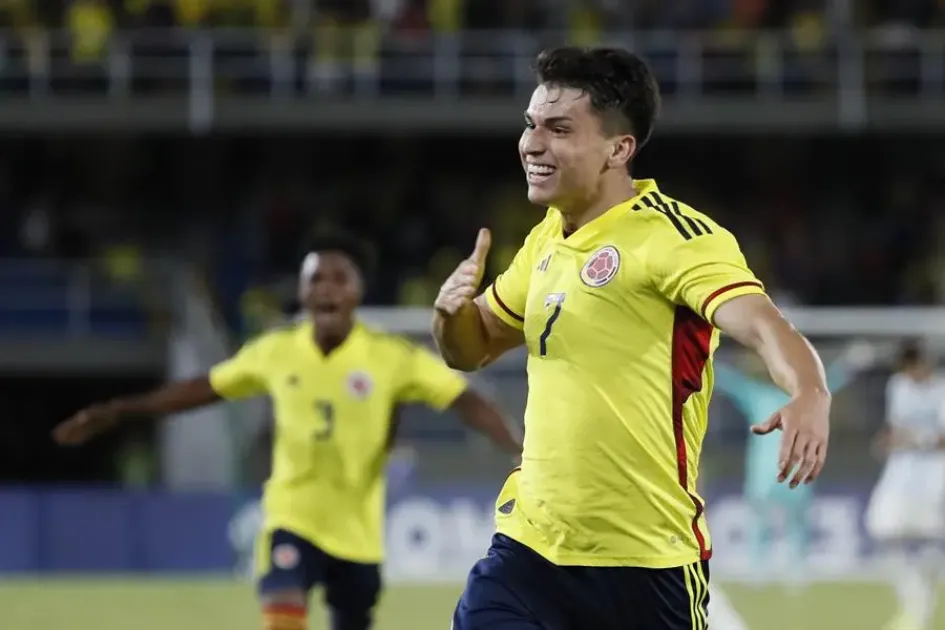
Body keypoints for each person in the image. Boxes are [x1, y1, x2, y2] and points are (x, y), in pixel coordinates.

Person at [432, 46, 831, 630]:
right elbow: (471, 347)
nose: (532, 144)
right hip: (529, 550)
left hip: (647, 564)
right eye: (531, 124)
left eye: (559, 129)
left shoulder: (676, 237)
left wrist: (810, 391)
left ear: (619, 149)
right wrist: (449, 314)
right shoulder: (545, 241)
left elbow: (763, 324)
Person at [53, 232, 523, 630]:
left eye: (339, 278)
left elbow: (468, 401)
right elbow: (201, 389)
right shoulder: (277, 350)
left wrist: (519, 449)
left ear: (357, 291)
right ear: (301, 291)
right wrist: (117, 411)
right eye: (315, 278)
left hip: (357, 532)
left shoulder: (390, 357)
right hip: (290, 517)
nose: (326, 289)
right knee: (283, 609)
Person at [714, 341, 873, 587]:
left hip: (786, 470)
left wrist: (851, 363)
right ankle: (764, 572)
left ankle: (791, 572)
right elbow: (731, 383)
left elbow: (829, 382)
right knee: (763, 523)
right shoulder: (763, 395)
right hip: (770, 472)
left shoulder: (793, 397)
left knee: (793, 523)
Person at [866, 342, 945, 630]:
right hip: (900, 472)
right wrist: (886, 439)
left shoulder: (942, 391)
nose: (912, 373)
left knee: (930, 537)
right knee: (880, 528)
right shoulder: (898, 386)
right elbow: (896, 427)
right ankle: (916, 602)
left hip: (934, 475)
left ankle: (920, 610)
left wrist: (915, 439)